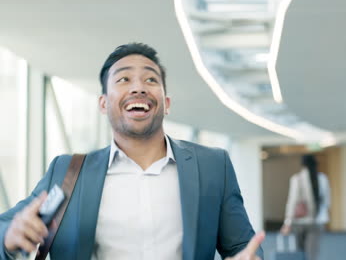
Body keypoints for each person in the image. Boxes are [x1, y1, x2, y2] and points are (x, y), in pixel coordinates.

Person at [0, 43, 264, 260]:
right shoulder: (68, 172)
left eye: (151, 79)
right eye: (124, 79)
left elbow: (244, 248)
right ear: (103, 103)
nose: (138, 87)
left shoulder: (212, 167)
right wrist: (11, 235)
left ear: (167, 103)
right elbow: (6, 228)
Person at [280, 154, 330, 260]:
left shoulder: (297, 179)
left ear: (303, 165)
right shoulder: (323, 179)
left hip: (299, 222)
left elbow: (292, 202)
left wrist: (287, 223)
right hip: (317, 221)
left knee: (299, 253)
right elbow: (327, 201)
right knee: (312, 254)